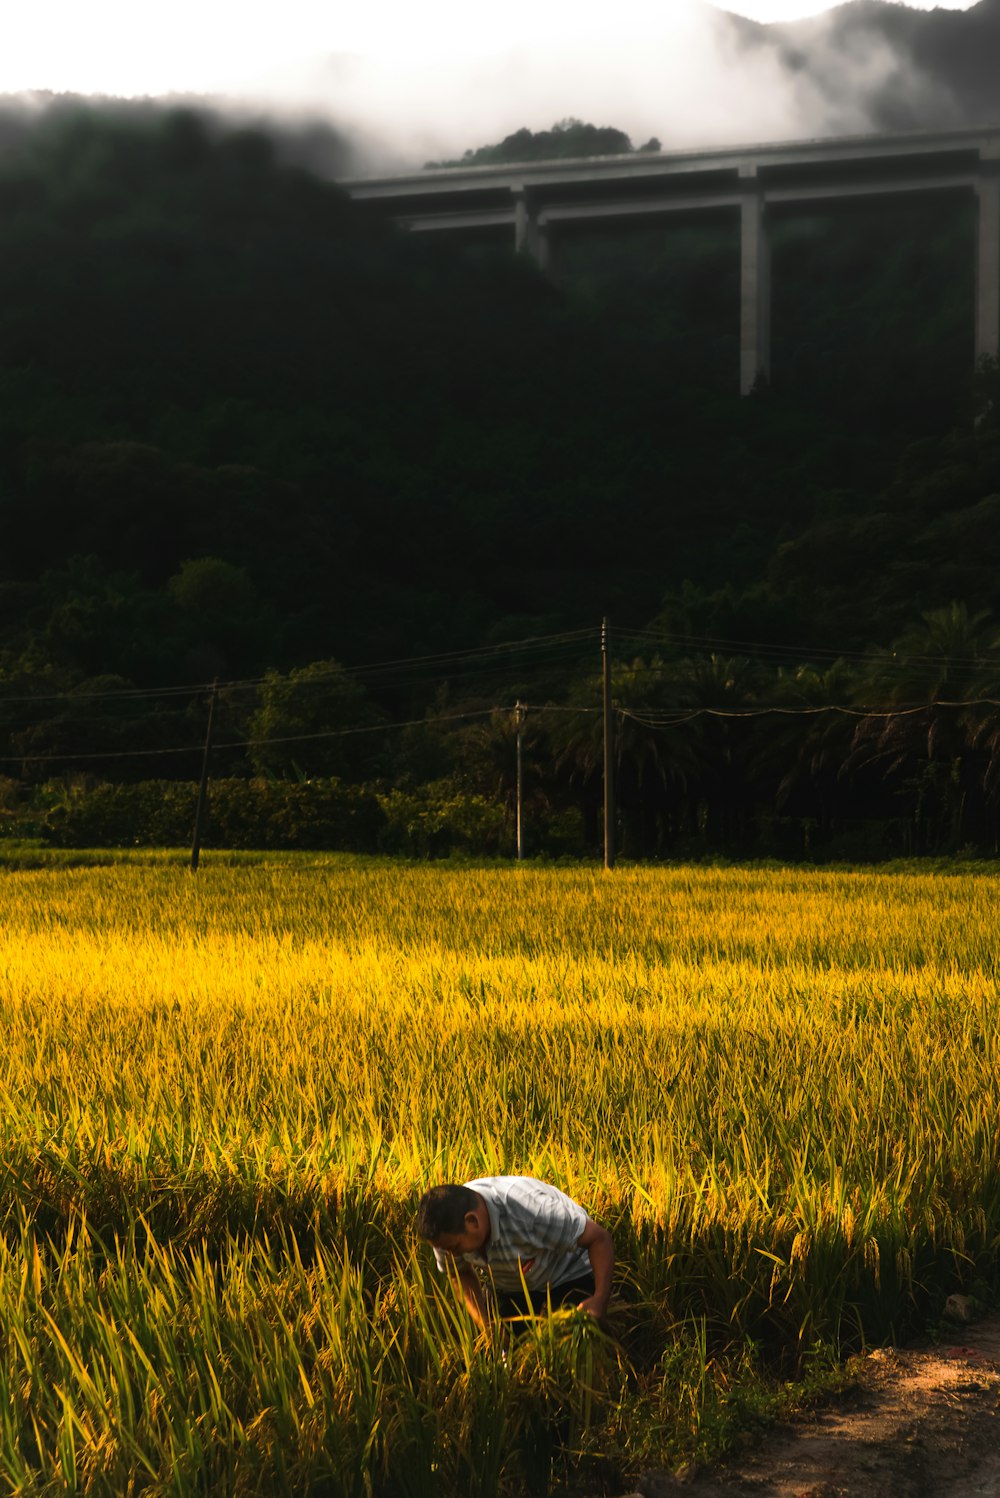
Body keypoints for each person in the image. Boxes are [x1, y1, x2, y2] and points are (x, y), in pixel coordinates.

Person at [416, 1175, 614, 1332]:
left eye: (455, 1248)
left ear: (472, 1221)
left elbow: (599, 1238)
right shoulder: (444, 1232)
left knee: (575, 1343)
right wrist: (486, 1326)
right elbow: (458, 1274)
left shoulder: (531, 1213)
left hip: (567, 1275)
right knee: (507, 1352)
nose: (450, 1254)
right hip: (512, 1286)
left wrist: (600, 1299)